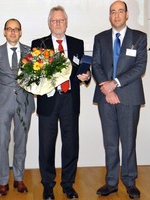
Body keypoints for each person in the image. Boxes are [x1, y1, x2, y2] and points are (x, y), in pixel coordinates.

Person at [31, 5, 91, 200]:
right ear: (49, 23)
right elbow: (34, 75)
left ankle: (68, 185)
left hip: (70, 101)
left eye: (61, 20)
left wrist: (87, 77)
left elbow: (83, 71)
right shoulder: (38, 43)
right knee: (46, 146)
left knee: (71, 145)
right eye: (54, 20)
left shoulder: (77, 43)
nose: (58, 23)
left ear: (66, 23)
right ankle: (48, 186)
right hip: (48, 102)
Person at [92, 1, 147, 199]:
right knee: (110, 142)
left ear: (127, 14)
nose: (116, 15)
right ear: (109, 16)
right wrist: (107, 89)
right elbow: (96, 65)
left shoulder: (139, 38)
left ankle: (130, 182)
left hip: (129, 96)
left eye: (120, 11)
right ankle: (111, 182)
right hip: (105, 96)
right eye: (113, 12)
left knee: (129, 141)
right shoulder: (100, 38)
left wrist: (114, 83)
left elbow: (140, 67)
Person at [0, 18, 35, 197]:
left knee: (21, 142)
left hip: (24, 103)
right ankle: (2, 182)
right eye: (9, 29)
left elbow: (34, 79)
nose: (13, 32)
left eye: (16, 29)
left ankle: (19, 177)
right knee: (1, 143)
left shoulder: (30, 52)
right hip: (3, 104)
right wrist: (4, 94)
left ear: (21, 32)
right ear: (4, 32)